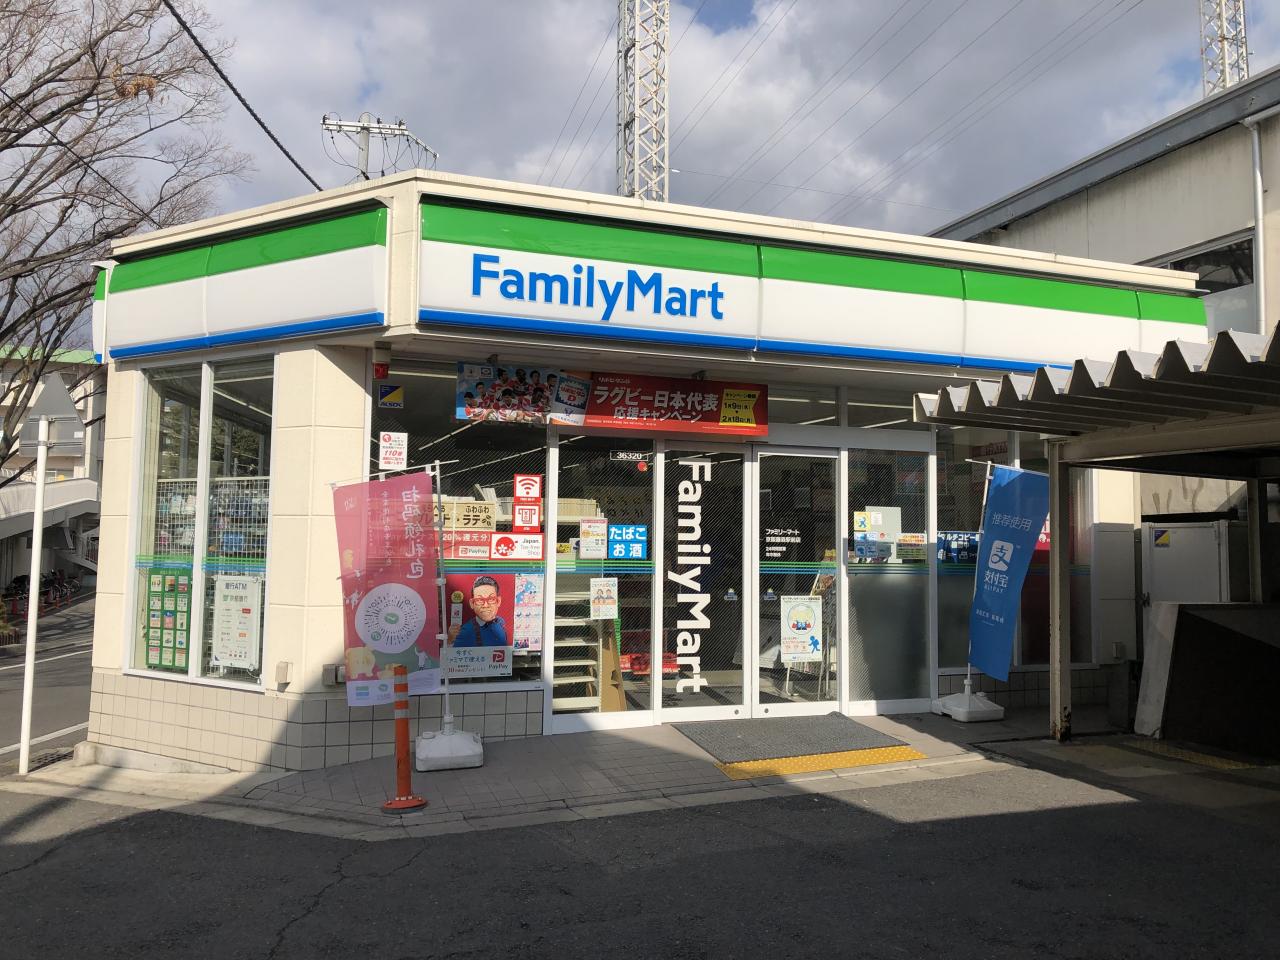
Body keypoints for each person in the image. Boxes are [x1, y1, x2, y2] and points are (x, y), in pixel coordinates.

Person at [449, 575, 508, 647]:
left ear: (498, 601)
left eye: (491, 599)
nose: (485, 605)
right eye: (479, 600)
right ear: (472, 603)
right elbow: (453, 654)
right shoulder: (466, 631)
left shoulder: (501, 623)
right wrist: (449, 641)